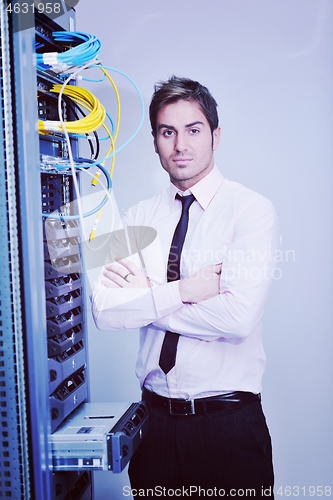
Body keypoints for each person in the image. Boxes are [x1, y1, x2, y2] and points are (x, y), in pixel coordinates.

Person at [91, 76, 280, 499]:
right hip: (151, 426)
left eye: (193, 130)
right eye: (167, 132)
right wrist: (183, 290)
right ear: (155, 142)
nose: (180, 144)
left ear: (215, 136)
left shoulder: (250, 210)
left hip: (227, 425)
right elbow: (104, 312)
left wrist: (147, 295)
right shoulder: (136, 216)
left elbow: (236, 319)